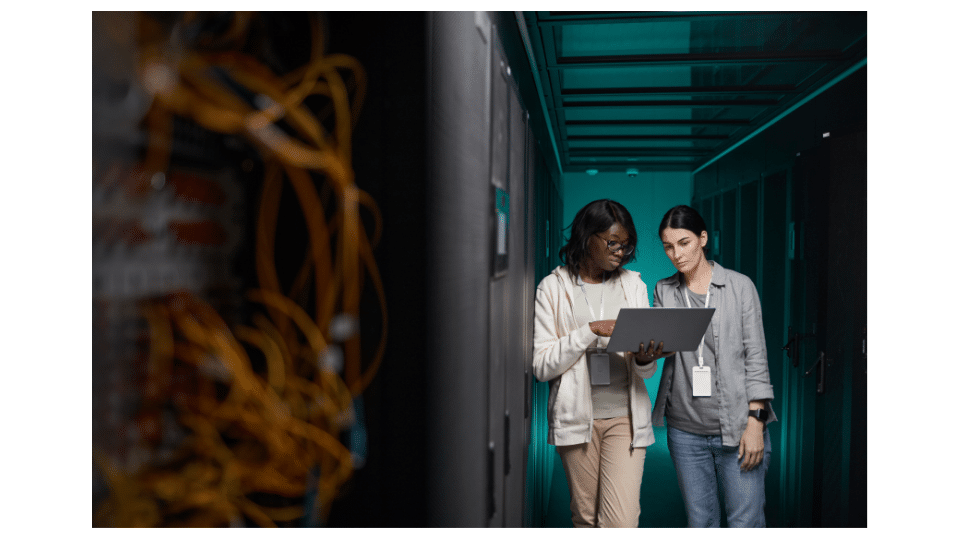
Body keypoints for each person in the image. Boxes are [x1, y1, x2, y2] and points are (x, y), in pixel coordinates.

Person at [532, 199, 670, 528]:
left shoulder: (633, 285)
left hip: (625, 417)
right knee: (586, 519)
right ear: (586, 236)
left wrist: (644, 357)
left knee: (620, 523)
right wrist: (590, 331)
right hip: (576, 420)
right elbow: (541, 366)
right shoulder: (552, 288)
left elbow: (645, 370)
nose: (620, 252)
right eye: (612, 243)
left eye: (626, 245)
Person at [650, 204, 777, 528]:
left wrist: (755, 422)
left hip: (738, 427)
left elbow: (756, 358)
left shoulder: (739, 287)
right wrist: (644, 350)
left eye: (684, 242)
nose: (675, 254)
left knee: (745, 523)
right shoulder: (664, 291)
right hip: (685, 431)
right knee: (701, 523)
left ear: (703, 238)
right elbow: (663, 352)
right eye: (668, 246)